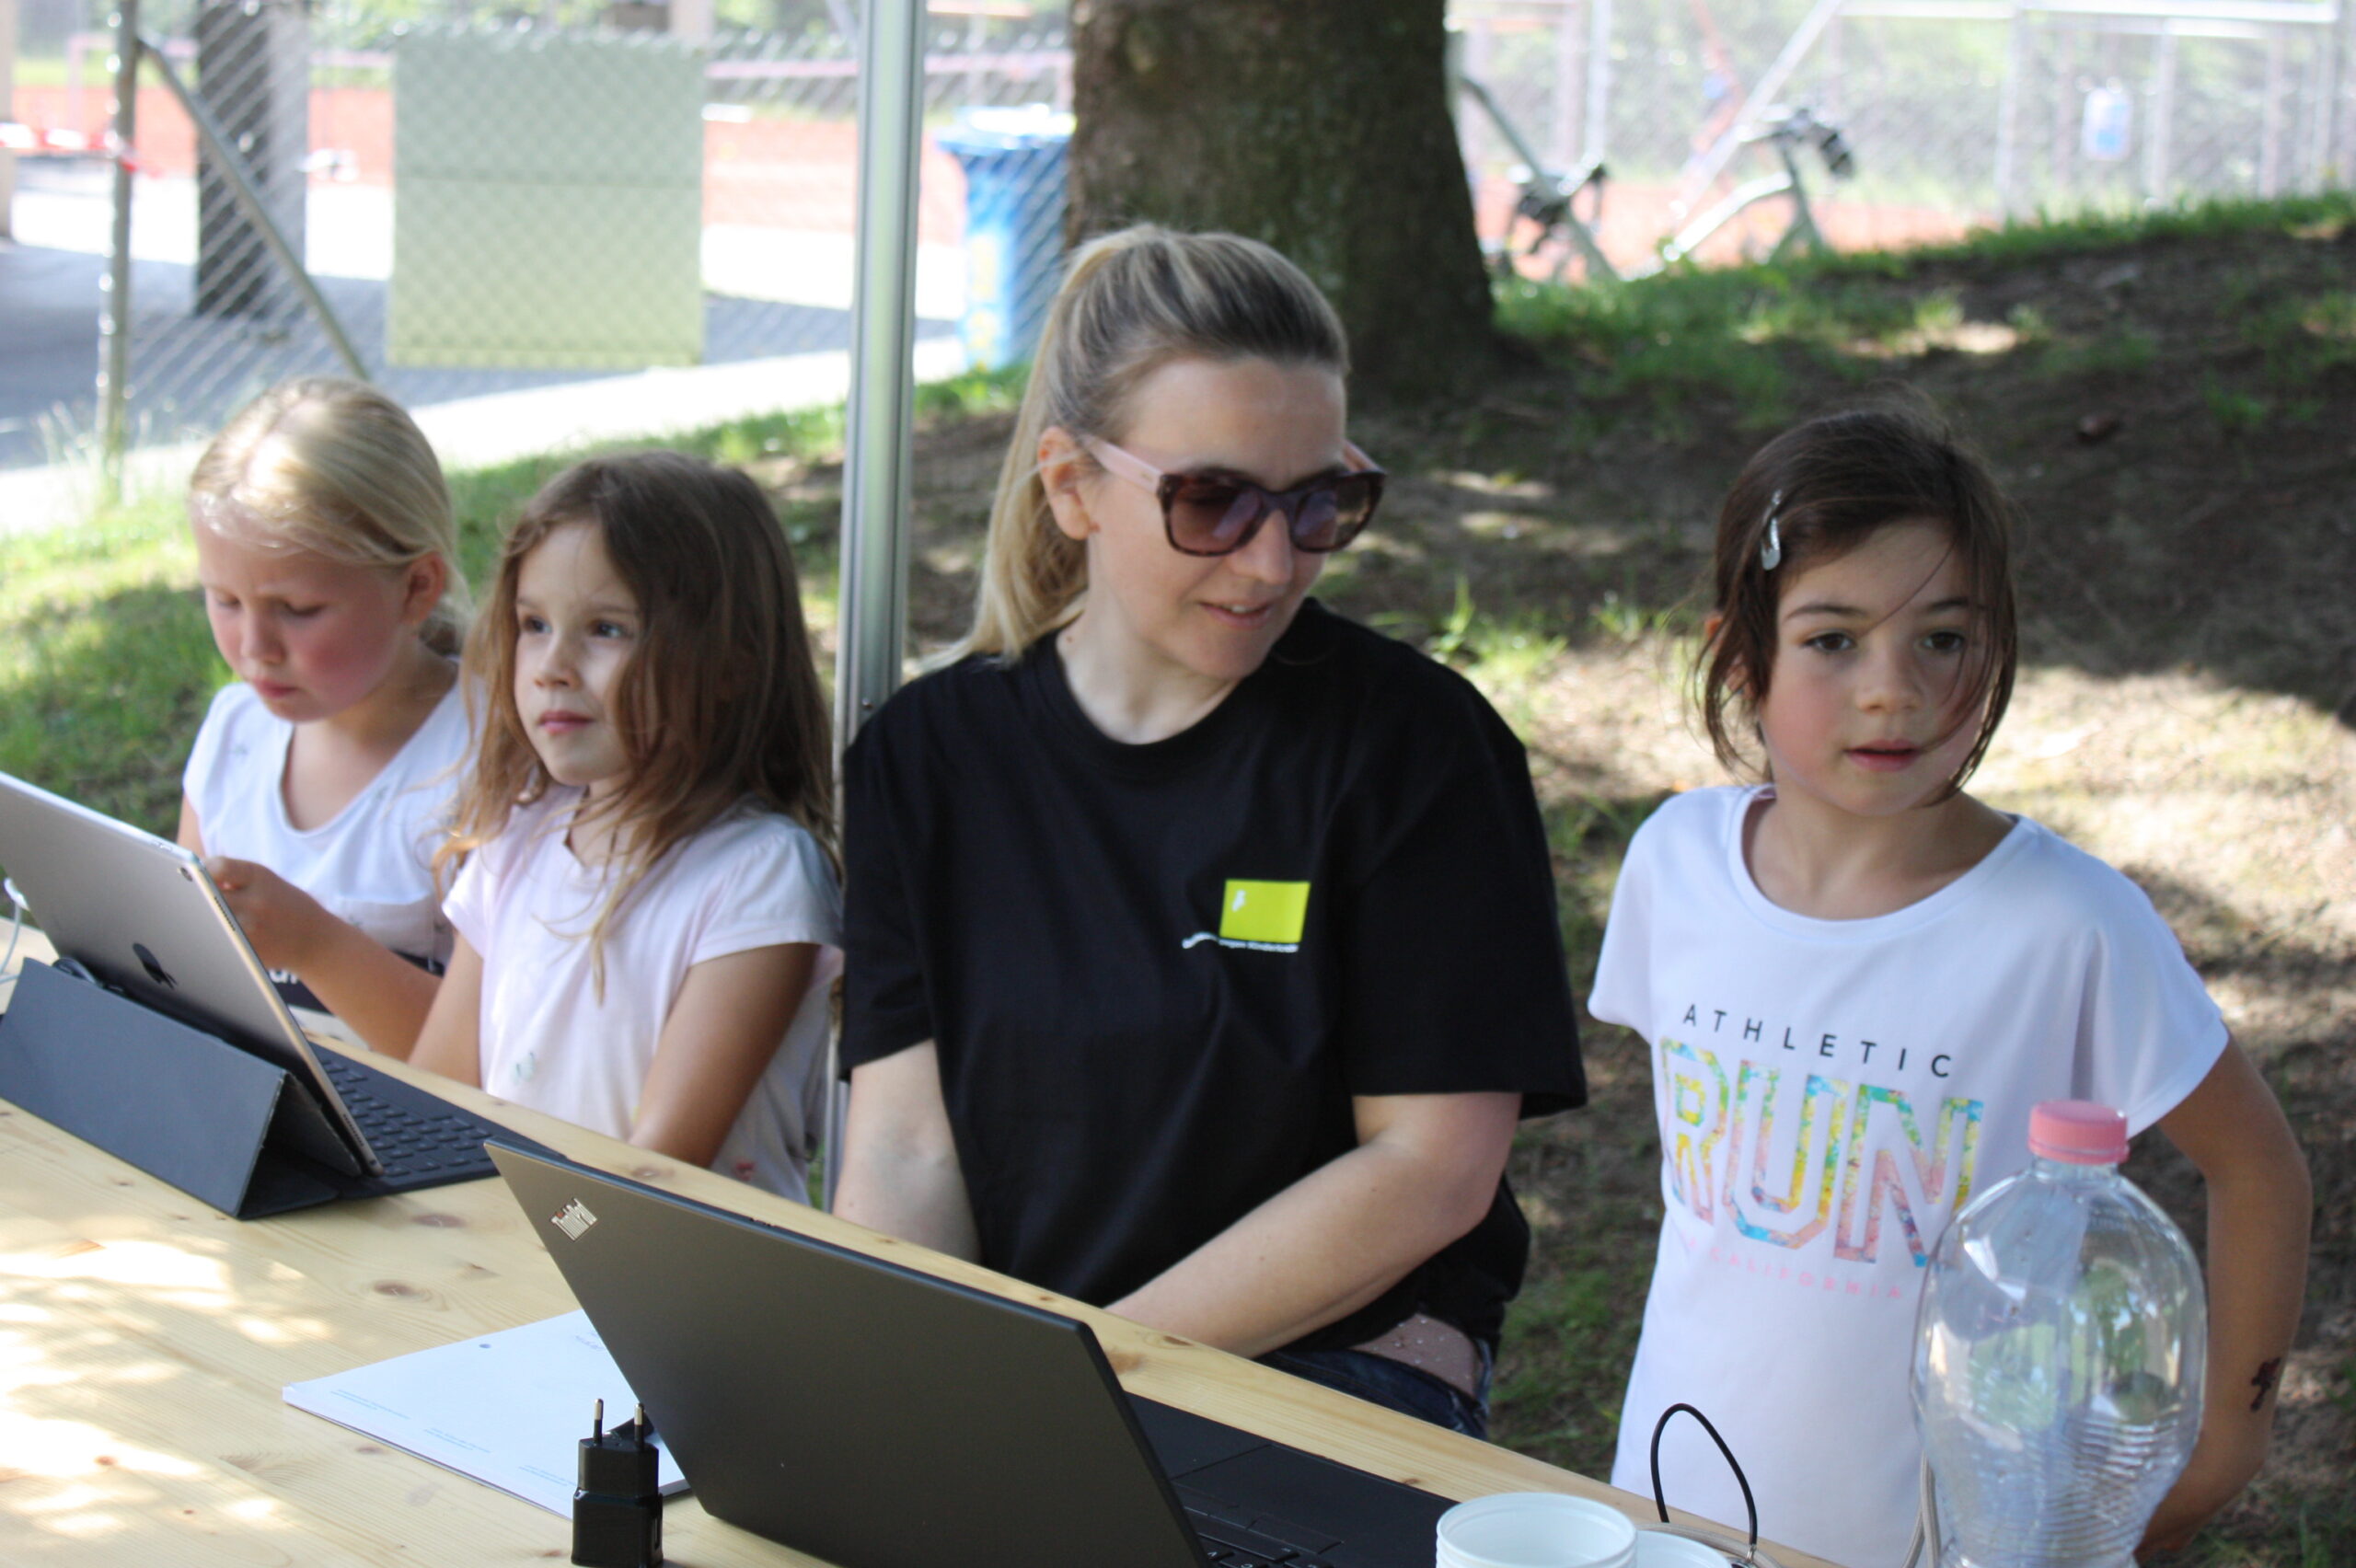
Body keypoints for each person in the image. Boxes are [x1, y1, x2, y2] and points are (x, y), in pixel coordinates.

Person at [831, 225, 1587, 1437]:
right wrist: (915, 1386)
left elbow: (1431, 1172)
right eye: (1214, 500)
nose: (1274, 561)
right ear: (1071, 485)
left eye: (1319, 500)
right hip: (1035, 1380)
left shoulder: (1415, 748)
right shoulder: (929, 757)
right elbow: (908, 1150)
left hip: (1329, 1372)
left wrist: (1076, 1375)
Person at [1589, 407, 2312, 1566]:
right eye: (1832, 639)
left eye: (1941, 638)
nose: (1893, 690)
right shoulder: (1673, 865)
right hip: (1669, 1517)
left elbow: (2258, 1166)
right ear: (1742, 656)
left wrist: (2227, 1446)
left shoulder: (2069, 923)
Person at [406, 452, 839, 1199]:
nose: (551, 666)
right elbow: (437, 1099)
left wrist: (538, 1246)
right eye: (534, 625)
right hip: (524, 1246)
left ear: (729, 664)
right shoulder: (518, 839)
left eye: (606, 629)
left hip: (656, 1265)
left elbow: (658, 1175)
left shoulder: (760, 876)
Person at [178, 377, 470, 1054]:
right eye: (224, 600)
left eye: (298, 610)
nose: (255, 647)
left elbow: (495, 1060)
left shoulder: (488, 761)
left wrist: (314, 945)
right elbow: (186, 977)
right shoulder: (234, 732)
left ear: (416, 587)